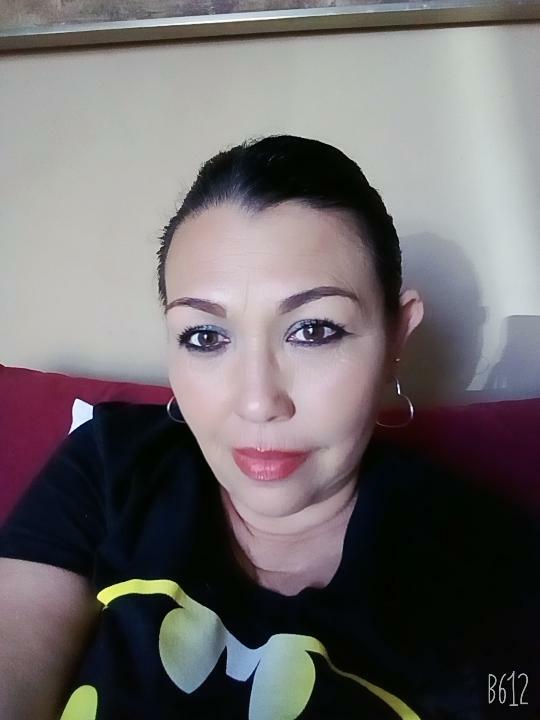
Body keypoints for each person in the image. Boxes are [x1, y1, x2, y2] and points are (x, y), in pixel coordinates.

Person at [0, 135, 538, 720]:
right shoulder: (109, 464)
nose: (258, 403)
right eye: (205, 336)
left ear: (396, 338)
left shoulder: (494, 567)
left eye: (314, 330)